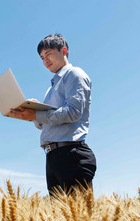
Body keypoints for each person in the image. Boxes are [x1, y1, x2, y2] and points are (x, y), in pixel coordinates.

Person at [10, 34, 97, 196]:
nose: (45, 60)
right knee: (60, 219)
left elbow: (73, 112)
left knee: (79, 218)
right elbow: (44, 123)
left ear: (63, 50)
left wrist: (37, 115)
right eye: (42, 57)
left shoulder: (75, 74)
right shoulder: (51, 88)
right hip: (52, 157)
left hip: (71, 154)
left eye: (48, 54)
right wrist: (31, 113)